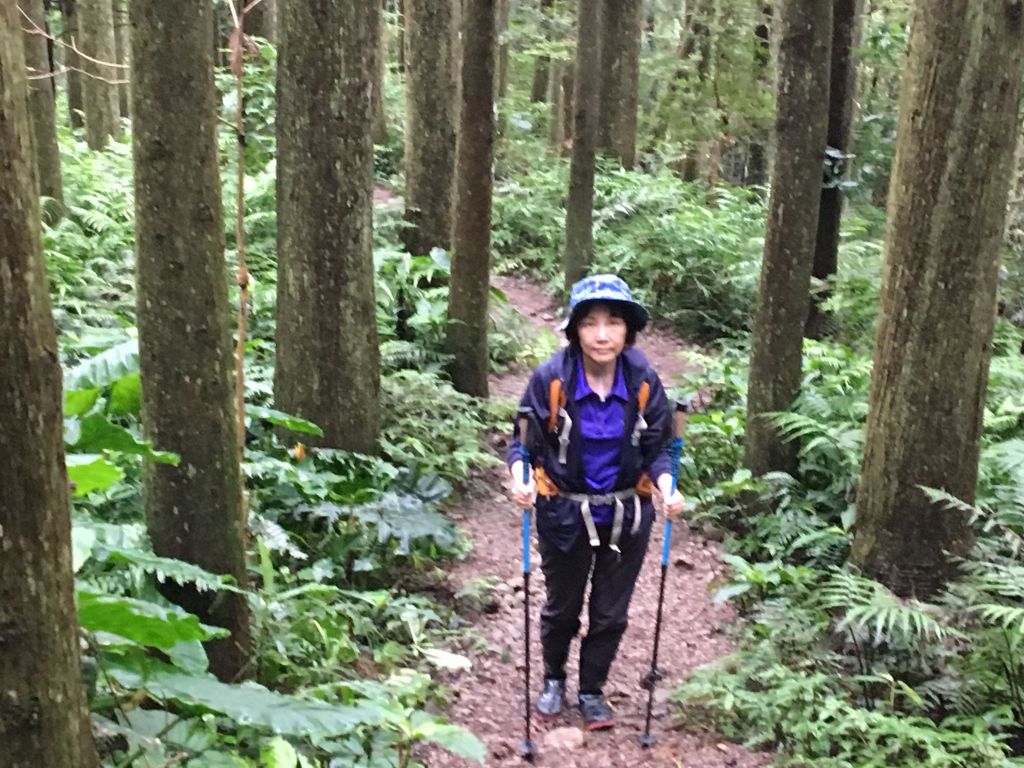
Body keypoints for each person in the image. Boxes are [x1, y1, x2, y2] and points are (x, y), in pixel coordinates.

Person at [507, 274, 685, 731]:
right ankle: (552, 679)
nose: (602, 334)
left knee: (610, 610)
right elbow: (521, 445)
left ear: (628, 330)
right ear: (575, 331)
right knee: (562, 605)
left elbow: (660, 447)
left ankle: (591, 691)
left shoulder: (644, 379)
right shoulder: (550, 379)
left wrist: (667, 486)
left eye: (613, 322)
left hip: (627, 514)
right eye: (590, 323)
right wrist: (519, 479)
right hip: (563, 512)